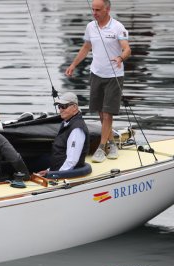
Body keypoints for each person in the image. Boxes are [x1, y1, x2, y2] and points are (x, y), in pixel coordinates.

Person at [65, 0, 131, 163]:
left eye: (98, 10)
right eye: (93, 9)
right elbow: (86, 47)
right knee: (101, 112)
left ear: (107, 9)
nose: (94, 13)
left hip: (113, 75)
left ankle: (102, 148)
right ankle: (111, 143)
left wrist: (120, 58)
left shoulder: (118, 27)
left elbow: (127, 49)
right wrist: (73, 64)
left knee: (108, 113)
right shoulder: (90, 27)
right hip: (96, 74)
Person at [37, 92, 90, 176]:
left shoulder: (76, 129)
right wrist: (49, 170)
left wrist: (54, 175)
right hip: (56, 170)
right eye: (59, 106)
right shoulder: (66, 123)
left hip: (64, 176)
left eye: (64, 106)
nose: (61, 110)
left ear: (75, 107)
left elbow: (72, 161)